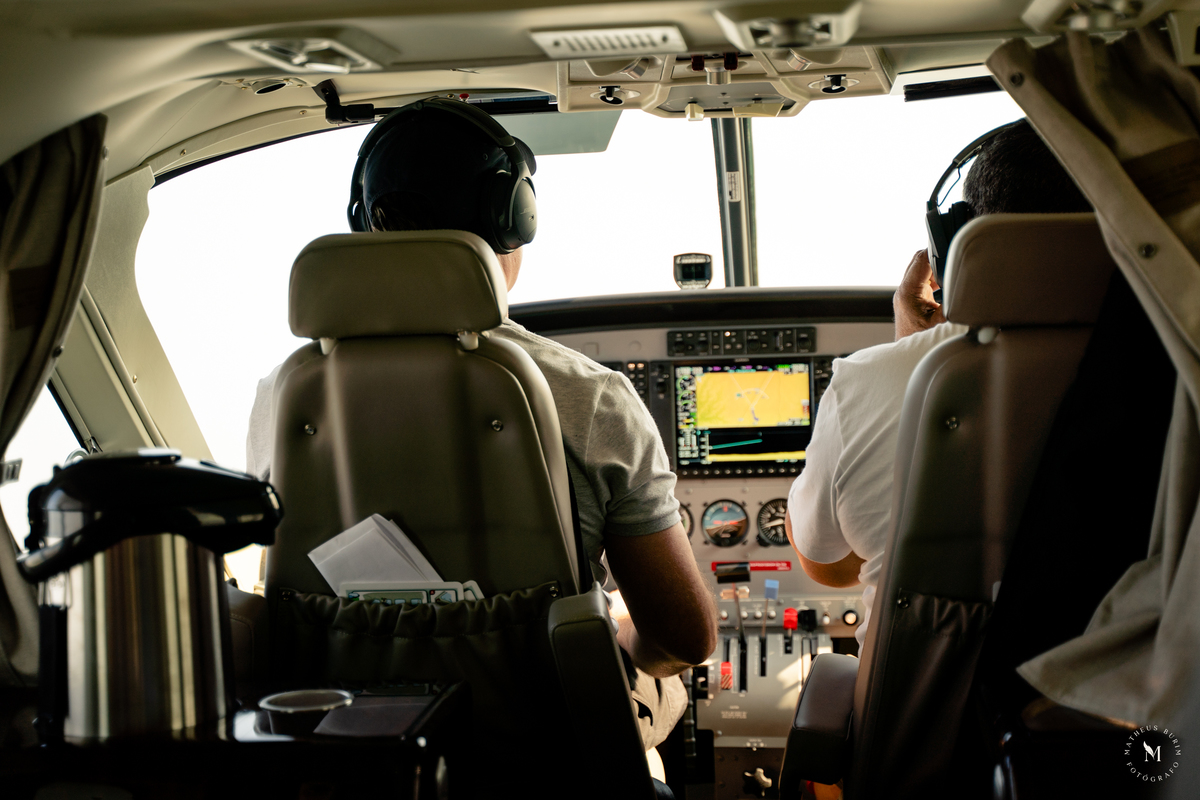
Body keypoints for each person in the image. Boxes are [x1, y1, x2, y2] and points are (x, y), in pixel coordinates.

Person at [245, 100, 717, 779]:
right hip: (541, 757)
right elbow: (683, 638)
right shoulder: (590, 397)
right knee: (663, 684)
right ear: (513, 218)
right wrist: (605, 637)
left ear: (364, 224)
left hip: (355, 758)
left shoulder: (282, 397)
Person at [785, 119, 1091, 648]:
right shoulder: (1175, 366)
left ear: (955, 243)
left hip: (926, 699)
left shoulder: (865, 380)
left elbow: (829, 566)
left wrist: (912, 349)